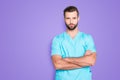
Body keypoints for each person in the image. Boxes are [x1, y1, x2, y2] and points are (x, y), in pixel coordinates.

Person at [51, 6, 97, 80]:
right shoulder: (57, 39)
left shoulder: (87, 38)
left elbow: (91, 61)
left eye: (74, 18)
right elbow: (58, 64)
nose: (71, 21)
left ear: (78, 18)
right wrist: (84, 62)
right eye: (68, 18)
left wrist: (67, 59)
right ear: (64, 19)